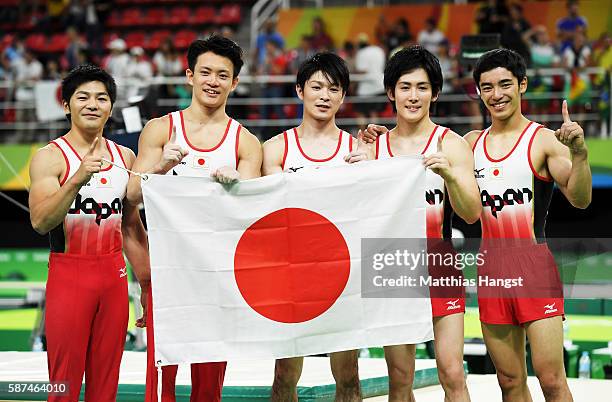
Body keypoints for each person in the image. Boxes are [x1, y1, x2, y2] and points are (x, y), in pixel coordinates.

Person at [126, 35, 262, 402]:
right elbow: (131, 198)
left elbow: (251, 218)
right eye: (205, 72)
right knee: (159, 388)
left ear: (234, 82)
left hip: (216, 279)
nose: (212, 81)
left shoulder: (245, 143)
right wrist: (161, 166)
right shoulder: (160, 130)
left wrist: (237, 188)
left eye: (222, 75)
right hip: (167, 276)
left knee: (208, 390)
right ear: (189, 75)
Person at [465, 48, 591, 401]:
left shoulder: (543, 140)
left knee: (551, 380)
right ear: (478, 92)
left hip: (534, 267)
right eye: (487, 87)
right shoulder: (471, 144)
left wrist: (579, 155)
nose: (497, 94)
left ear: (522, 85)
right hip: (491, 269)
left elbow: (580, 198)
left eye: (505, 84)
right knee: (508, 381)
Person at [364, 45, 480, 402]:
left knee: (452, 373)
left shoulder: (452, 145)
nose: (413, 96)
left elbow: (472, 212)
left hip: (440, 264)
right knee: (400, 380)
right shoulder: (373, 150)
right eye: (404, 87)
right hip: (391, 268)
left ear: (435, 93)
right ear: (390, 92)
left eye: (422, 87)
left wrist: (451, 175)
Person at [28, 64, 151, 401]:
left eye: (101, 98)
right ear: (66, 105)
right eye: (83, 97)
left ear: (111, 106)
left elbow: (131, 227)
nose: (93, 104)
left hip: (114, 278)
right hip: (70, 276)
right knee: (63, 386)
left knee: (105, 387)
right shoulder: (49, 158)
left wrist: (148, 286)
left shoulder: (124, 156)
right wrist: (77, 179)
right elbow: (40, 221)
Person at [262, 52, 367, 402]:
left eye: (333, 89)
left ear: (343, 97)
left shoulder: (358, 151)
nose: (324, 95)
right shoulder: (275, 149)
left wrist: (369, 171)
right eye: (317, 87)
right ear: (299, 91)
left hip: (343, 274)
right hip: (292, 274)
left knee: (349, 378)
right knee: (284, 377)